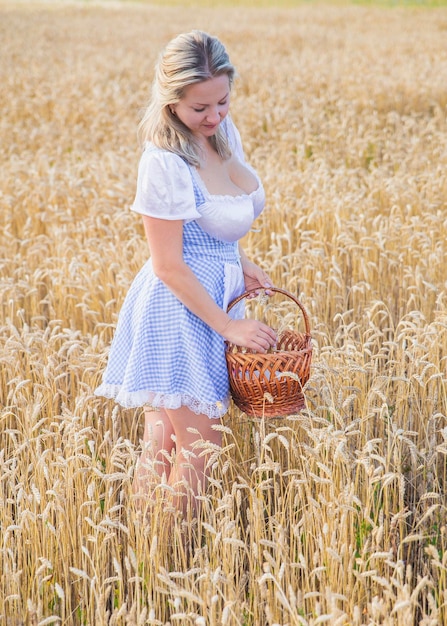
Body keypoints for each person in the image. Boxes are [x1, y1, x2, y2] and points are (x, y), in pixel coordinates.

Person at [94, 30, 277, 517]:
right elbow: (169, 264)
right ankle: (171, 569)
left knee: (167, 439)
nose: (214, 116)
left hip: (208, 297)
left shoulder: (222, 134)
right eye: (200, 108)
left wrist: (237, 261)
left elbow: (215, 221)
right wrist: (229, 325)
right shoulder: (164, 162)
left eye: (223, 101)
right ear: (171, 101)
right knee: (200, 448)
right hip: (179, 309)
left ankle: (147, 563)